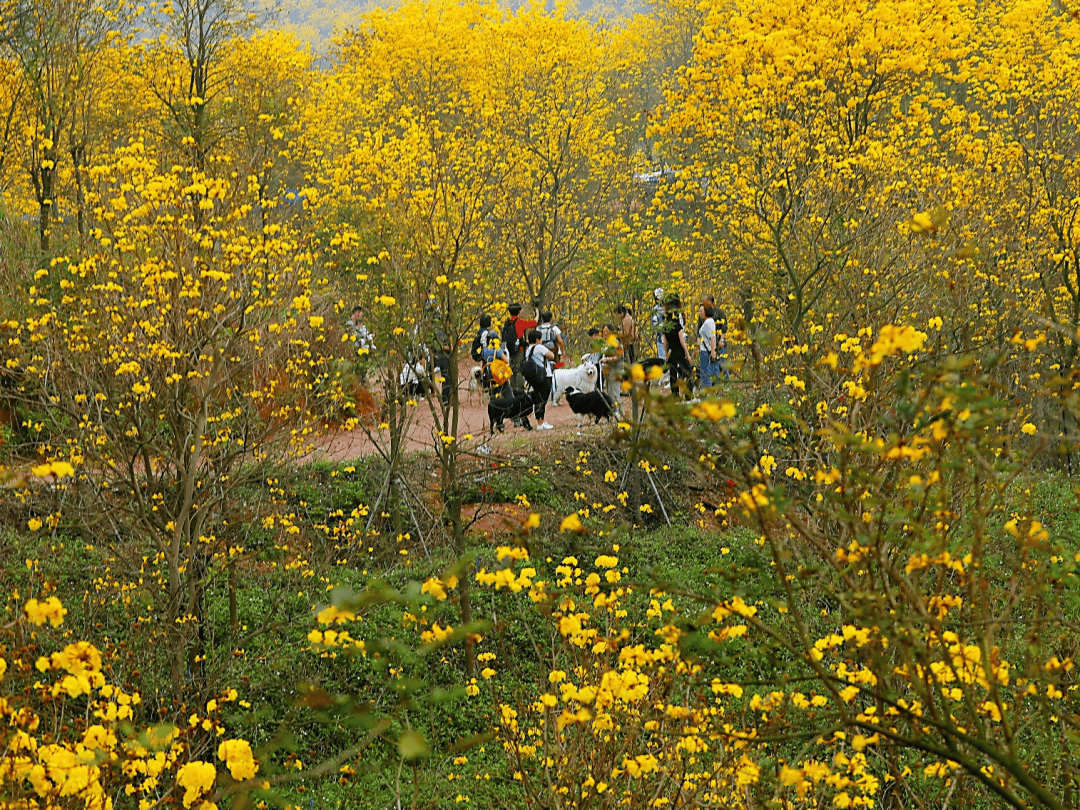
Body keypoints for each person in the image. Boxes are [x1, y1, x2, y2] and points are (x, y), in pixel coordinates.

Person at [524, 328, 556, 430]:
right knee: (543, 399)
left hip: (534, 377)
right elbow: (552, 356)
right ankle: (541, 423)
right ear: (537, 339)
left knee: (538, 398)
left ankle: (540, 421)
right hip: (544, 376)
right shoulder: (539, 347)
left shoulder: (528, 349)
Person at [662, 300, 693, 398]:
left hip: (671, 352)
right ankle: (688, 395)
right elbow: (682, 341)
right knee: (686, 373)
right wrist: (687, 354)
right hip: (679, 351)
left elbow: (665, 342)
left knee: (673, 375)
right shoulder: (678, 326)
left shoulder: (665, 327)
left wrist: (666, 352)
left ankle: (675, 396)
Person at [345, 305, 376, 385]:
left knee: (364, 368)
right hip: (355, 349)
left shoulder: (359, 324)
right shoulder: (349, 324)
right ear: (356, 313)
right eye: (359, 314)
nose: (360, 316)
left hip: (363, 349)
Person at [698, 305, 721, 388]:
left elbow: (712, 337)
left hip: (705, 351)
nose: (699, 313)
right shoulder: (709, 321)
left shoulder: (708, 322)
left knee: (705, 372)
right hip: (705, 350)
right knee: (707, 371)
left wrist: (713, 350)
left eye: (701, 311)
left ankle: (707, 391)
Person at [650, 288, 667, 360]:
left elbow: (654, 324)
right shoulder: (667, 307)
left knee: (663, 360)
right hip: (663, 337)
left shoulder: (656, 309)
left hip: (663, 337)